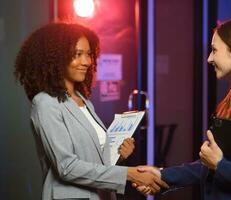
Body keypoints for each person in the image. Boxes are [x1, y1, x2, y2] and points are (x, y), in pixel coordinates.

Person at [135, 17, 231, 199]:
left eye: (214, 50)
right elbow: (209, 165)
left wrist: (220, 165)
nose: (209, 58)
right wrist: (161, 176)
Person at [14, 22, 168, 200]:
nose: (87, 62)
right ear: (56, 58)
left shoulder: (84, 101)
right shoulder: (45, 103)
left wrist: (119, 155)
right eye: (77, 54)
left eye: (88, 54)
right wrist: (128, 174)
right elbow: (67, 167)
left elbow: (94, 161)